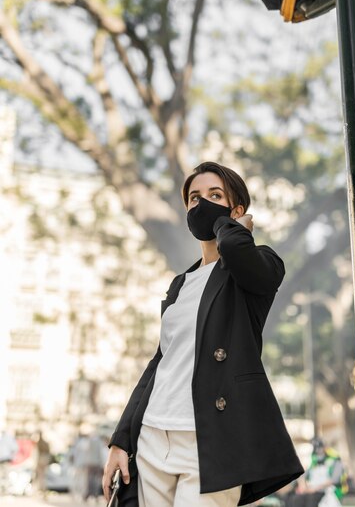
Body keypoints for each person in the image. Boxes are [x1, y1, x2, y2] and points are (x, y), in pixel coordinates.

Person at [102, 162, 304, 507]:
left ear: (237, 210)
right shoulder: (180, 284)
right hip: (153, 435)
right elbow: (160, 362)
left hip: (211, 440)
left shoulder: (260, 265)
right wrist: (121, 441)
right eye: (194, 199)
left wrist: (231, 227)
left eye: (215, 195)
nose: (202, 205)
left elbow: (242, 255)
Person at [285, 438, 346, 507]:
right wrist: (303, 485)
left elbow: (334, 480)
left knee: (311, 500)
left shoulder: (335, 460)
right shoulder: (314, 461)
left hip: (327, 491)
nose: (318, 451)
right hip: (312, 489)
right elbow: (303, 476)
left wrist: (315, 488)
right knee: (293, 498)